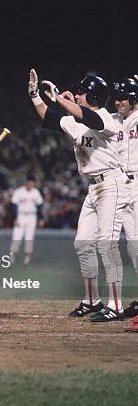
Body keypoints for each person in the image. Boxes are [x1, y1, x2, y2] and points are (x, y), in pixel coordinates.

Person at [28, 69, 130, 322]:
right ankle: (91, 300)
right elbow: (50, 119)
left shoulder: (109, 119)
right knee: (83, 243)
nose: (78, 94)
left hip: (112, 183)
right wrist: (34, 95)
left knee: (106, 245)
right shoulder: (77, 119)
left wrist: (62, 100)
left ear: (93, 95)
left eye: (82, 92)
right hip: (93, 188)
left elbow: (92, 120)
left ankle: (115, 304)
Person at [111, 76, 138, 331]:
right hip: (120, 183)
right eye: (116, 97)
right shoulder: (113, 120)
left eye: (123, 97)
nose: (118, 101)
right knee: (132, 248)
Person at [9, 176, 44, 266]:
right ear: (26, 183)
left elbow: (39, 206)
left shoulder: (35, 192)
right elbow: (13, 206)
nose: (30, 185)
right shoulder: (19, 192)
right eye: (29, 183)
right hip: (20, 216)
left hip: (32, 216)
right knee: (17, 235)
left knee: (29, 236)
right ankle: (12, 256)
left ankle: (27, 258)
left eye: (32, 183)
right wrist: (14, 218)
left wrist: (41, 218)